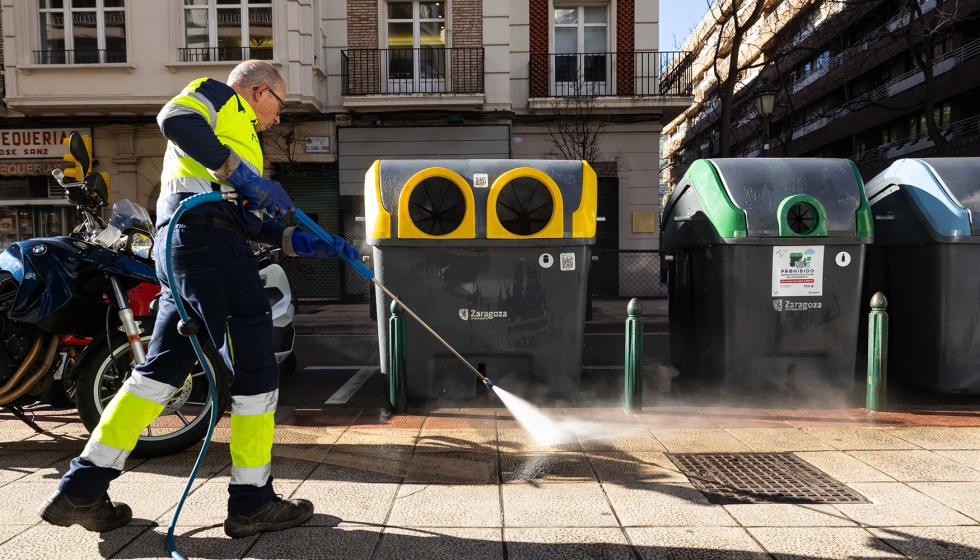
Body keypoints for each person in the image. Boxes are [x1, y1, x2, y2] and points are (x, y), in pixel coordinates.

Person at [37, 60, 358, 539]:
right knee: (256, 365)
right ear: (260, 90)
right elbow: (174, 118)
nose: (276, 119)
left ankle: (81, 488)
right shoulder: (218, 95)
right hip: (207, 246)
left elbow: (240, 217)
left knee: (158, 373)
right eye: (279, 105)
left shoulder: (236, 137)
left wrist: (299, 239)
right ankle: (252, 501)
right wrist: (242, 176)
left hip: (185, 248)